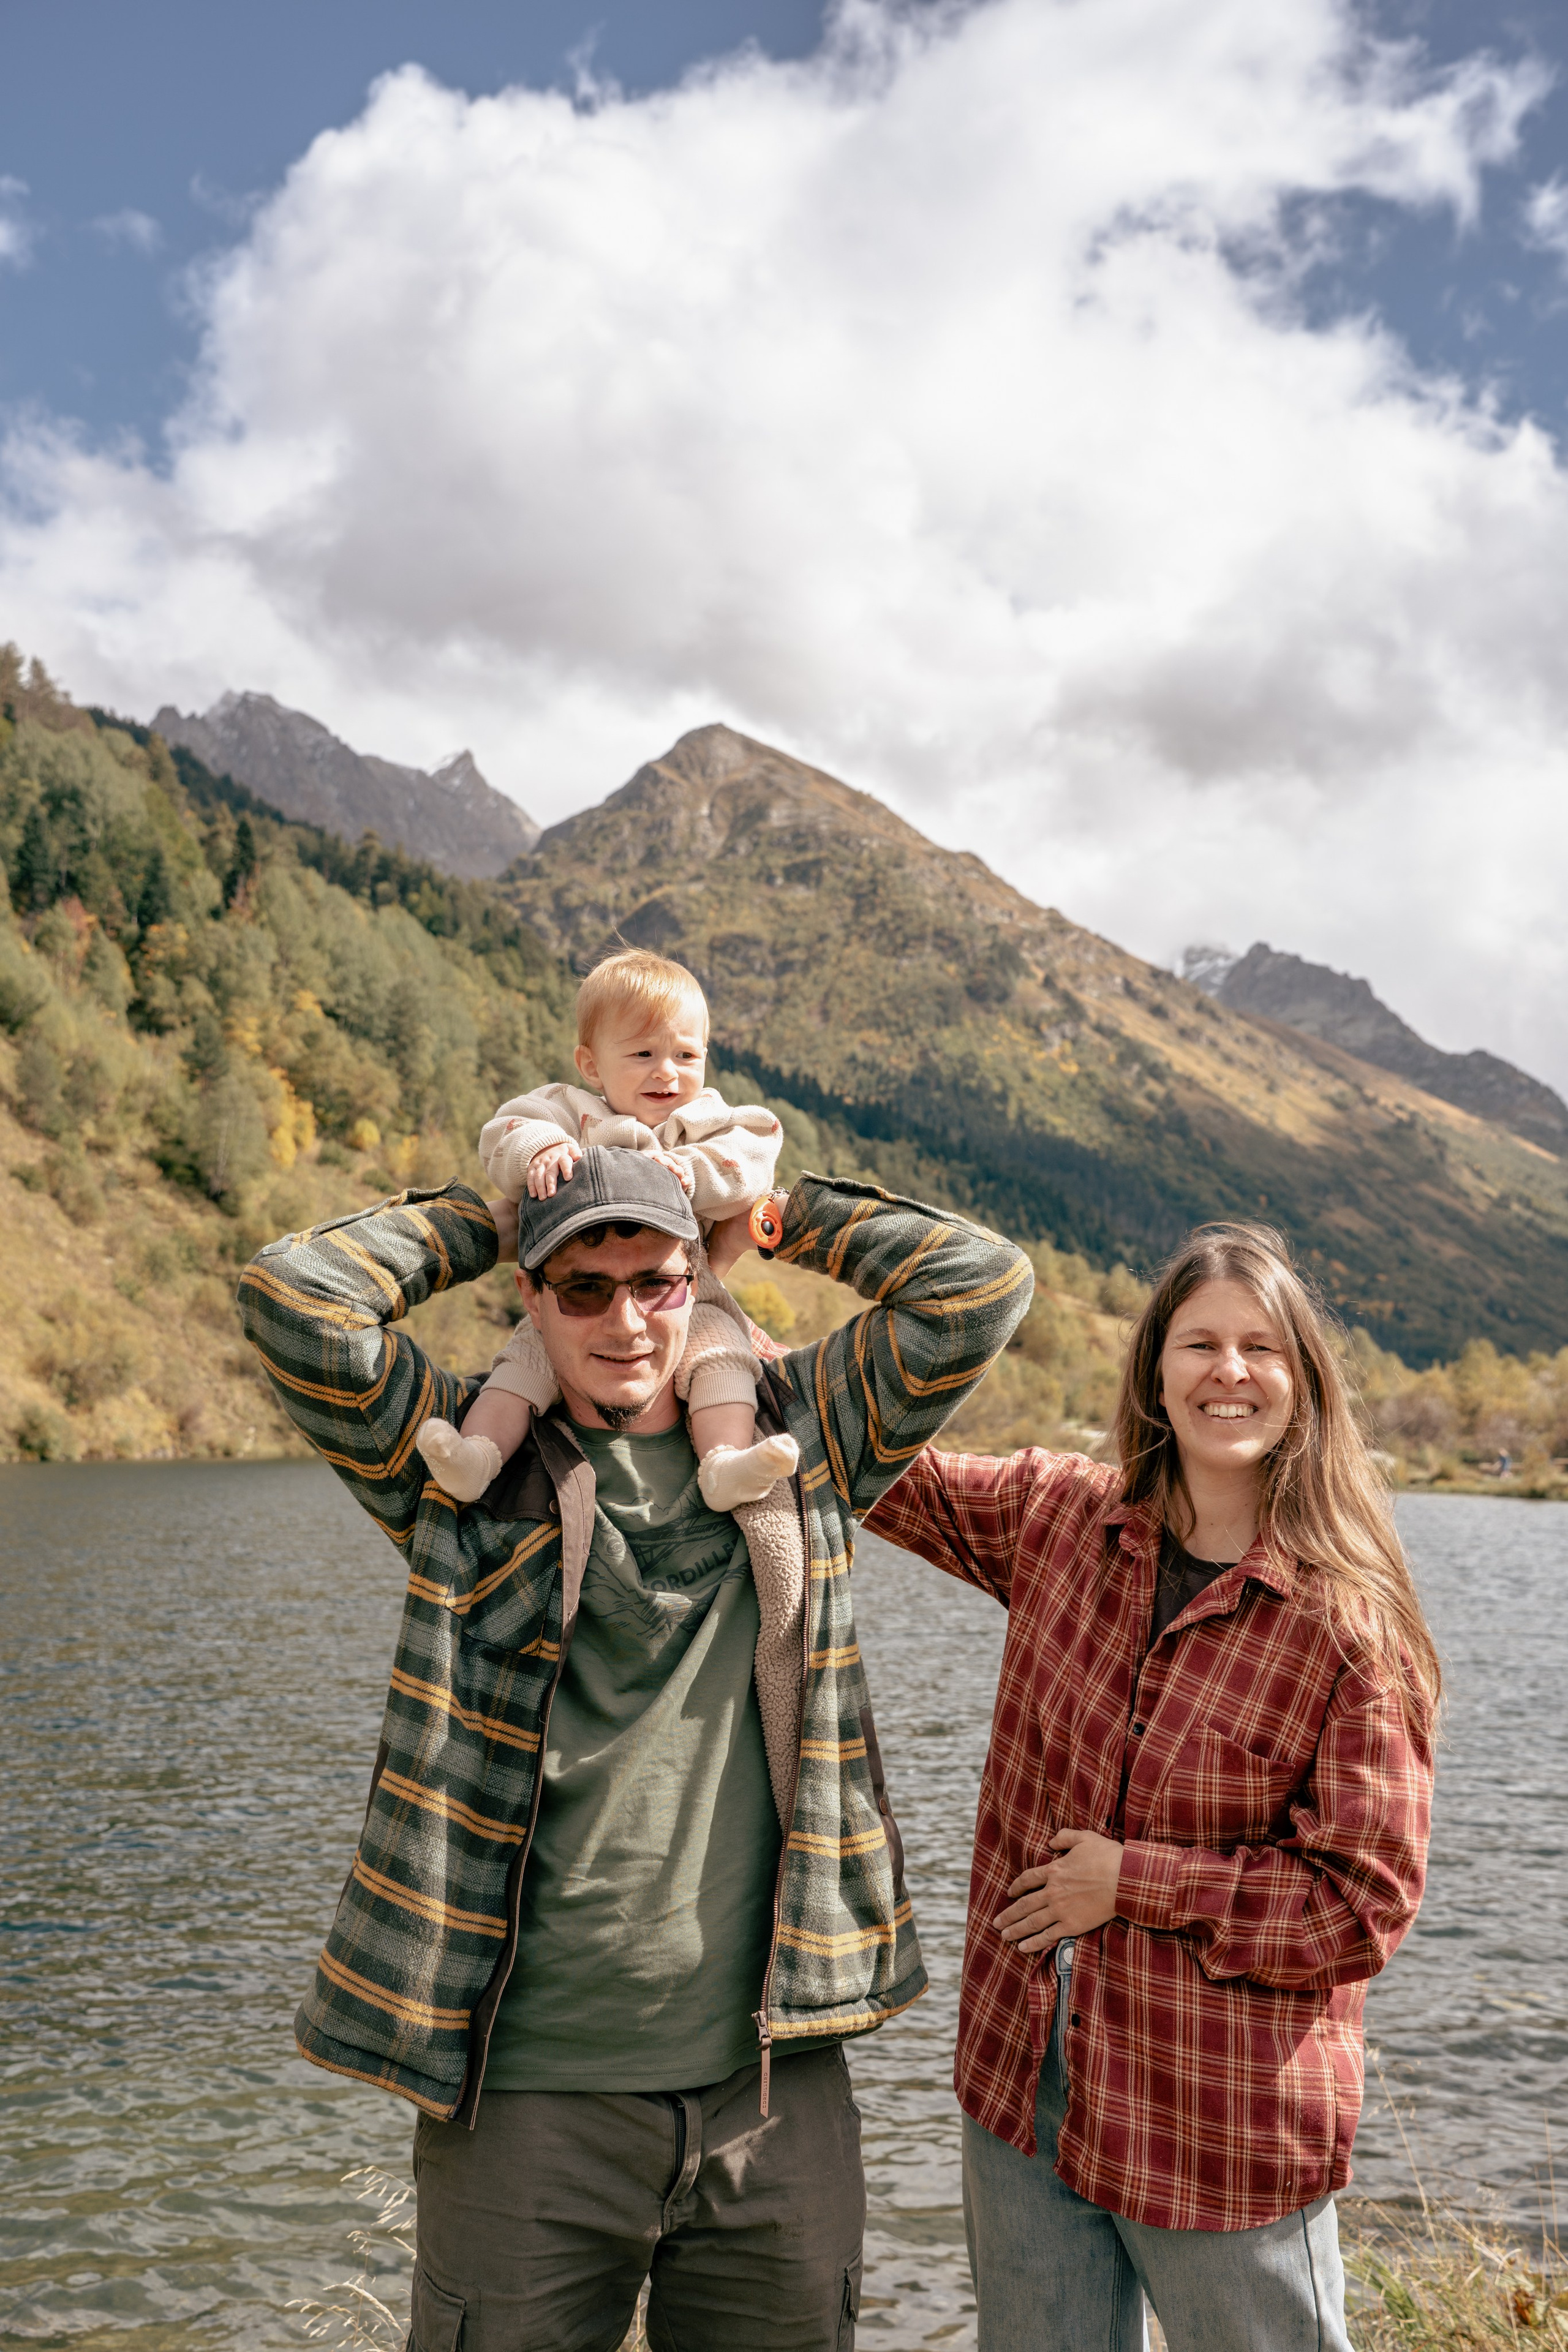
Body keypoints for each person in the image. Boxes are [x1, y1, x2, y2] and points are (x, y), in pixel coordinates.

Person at [236, 1149, 1032, 2351]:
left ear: (695, 1284)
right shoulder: (462, 1462)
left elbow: (979, 1287)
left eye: (655, 1281)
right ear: (531, 1298)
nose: (623, 1319)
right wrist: (489, 1208)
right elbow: (294, 1297)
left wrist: (762, 1207)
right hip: (519, 2104)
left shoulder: (799, 1440)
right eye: (582, 1287)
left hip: (773, 2093)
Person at [864, 1221, 1439, 2352]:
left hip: (1219, 2124)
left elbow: (1360, 1906)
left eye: (1261, 1349)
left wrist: (1133, 1883)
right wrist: (742, 1232)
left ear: (1303, 1382)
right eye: (1199, 1344)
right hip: (1023, 2084)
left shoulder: (1351, 1628)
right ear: (1155, 1371)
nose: (1230, 1373)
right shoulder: (1058, 1520)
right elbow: (863, 1455)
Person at [413, 948, 797, 1514]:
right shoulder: (572, 1113)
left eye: (686, 1055)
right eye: (643, 1053)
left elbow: (756, 1154)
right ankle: (476, 1457)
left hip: (697, 1290)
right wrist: (540, 1151)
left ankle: (724, 1464)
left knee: (723, 1355)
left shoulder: (708, 1123)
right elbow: (503, 1133)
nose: (667, 1071)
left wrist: (694, 1171)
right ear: (592, 1066)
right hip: (581, 1297)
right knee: (525, 1361)